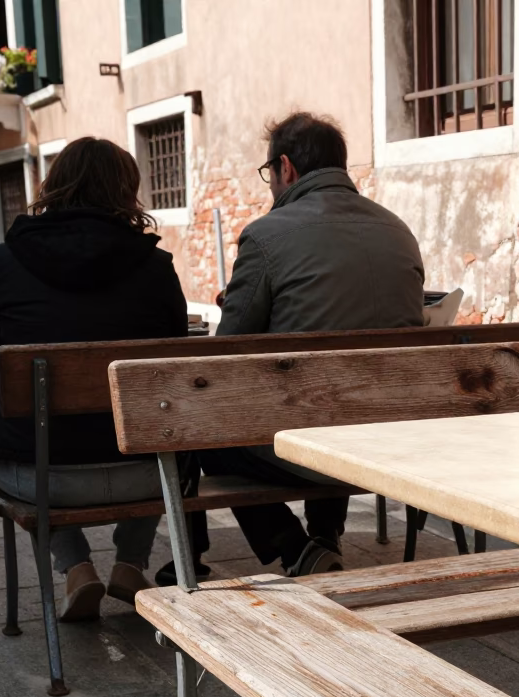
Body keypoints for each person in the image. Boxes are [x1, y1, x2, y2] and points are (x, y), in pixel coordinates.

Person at [182, 111, 425, 579]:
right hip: (390, 437)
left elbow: (227, 353)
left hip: (309, 443)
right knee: (339, 395)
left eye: (269, 173)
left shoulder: (266, 235)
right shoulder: (399, 230)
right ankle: (325, 536)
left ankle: (293, 548)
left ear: (286, 168)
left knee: (202, 432)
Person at [0, 137, 188, 621]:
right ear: (126, 191)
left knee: (29, 432)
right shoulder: (156, 267)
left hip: (43, 480)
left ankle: (75, 568)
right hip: (145, 475)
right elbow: (173, 366)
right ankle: (131, 564)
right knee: (157, 429)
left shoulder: (3, 261)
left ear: (54, 187)